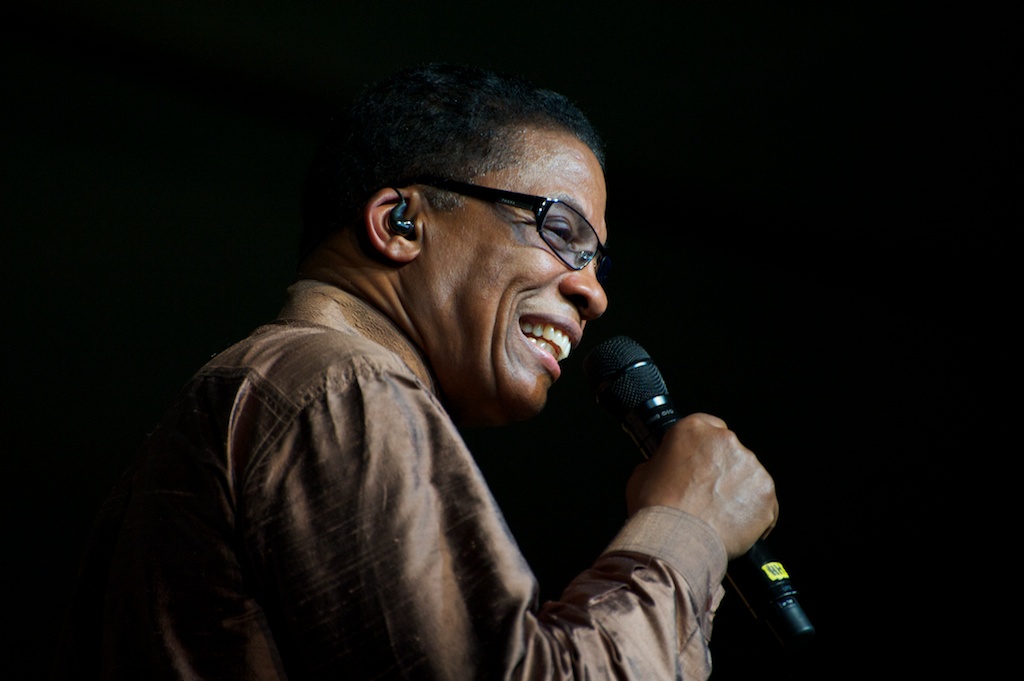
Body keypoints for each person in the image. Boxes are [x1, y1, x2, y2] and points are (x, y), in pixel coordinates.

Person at [52, 63, 778, 679]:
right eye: (561, 231)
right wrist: (688, 528)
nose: (594, 293)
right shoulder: (336, 385)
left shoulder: (268, 393)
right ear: (400, 222)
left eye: (597, 260)